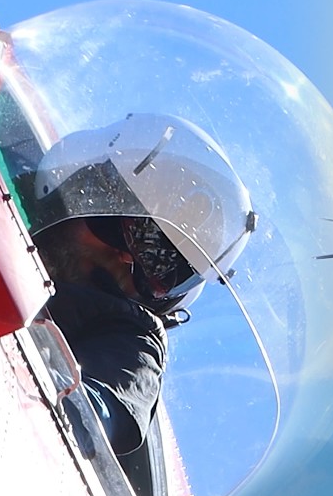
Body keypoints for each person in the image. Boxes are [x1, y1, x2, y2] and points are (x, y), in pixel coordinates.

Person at [22, 113, 256, 456]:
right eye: (116, 226)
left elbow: (98, 414)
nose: (127, 258)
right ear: (79, 188)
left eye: (160, 267)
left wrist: (82, 406)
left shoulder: (133, 338)